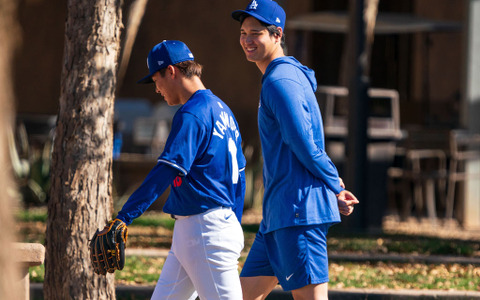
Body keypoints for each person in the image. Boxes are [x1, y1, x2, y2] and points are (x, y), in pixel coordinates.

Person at [231, 1, 359, 299]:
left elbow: (302, 142)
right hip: (278, 217)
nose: (247, 40)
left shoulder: (281, 81)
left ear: (277, 35)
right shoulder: (280, 77)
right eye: (243, 32)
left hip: (297, 215)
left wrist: (333, 183)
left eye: (256, 33)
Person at [115, 40, 246, 300]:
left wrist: (125, 216)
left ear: (171, 71)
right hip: (202, 228)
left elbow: (166, 170)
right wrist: (235, 225)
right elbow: (240, 179)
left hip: (205, 230)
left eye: (156, 79)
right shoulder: (223, 110)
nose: (157, 89)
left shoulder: (192, 113)